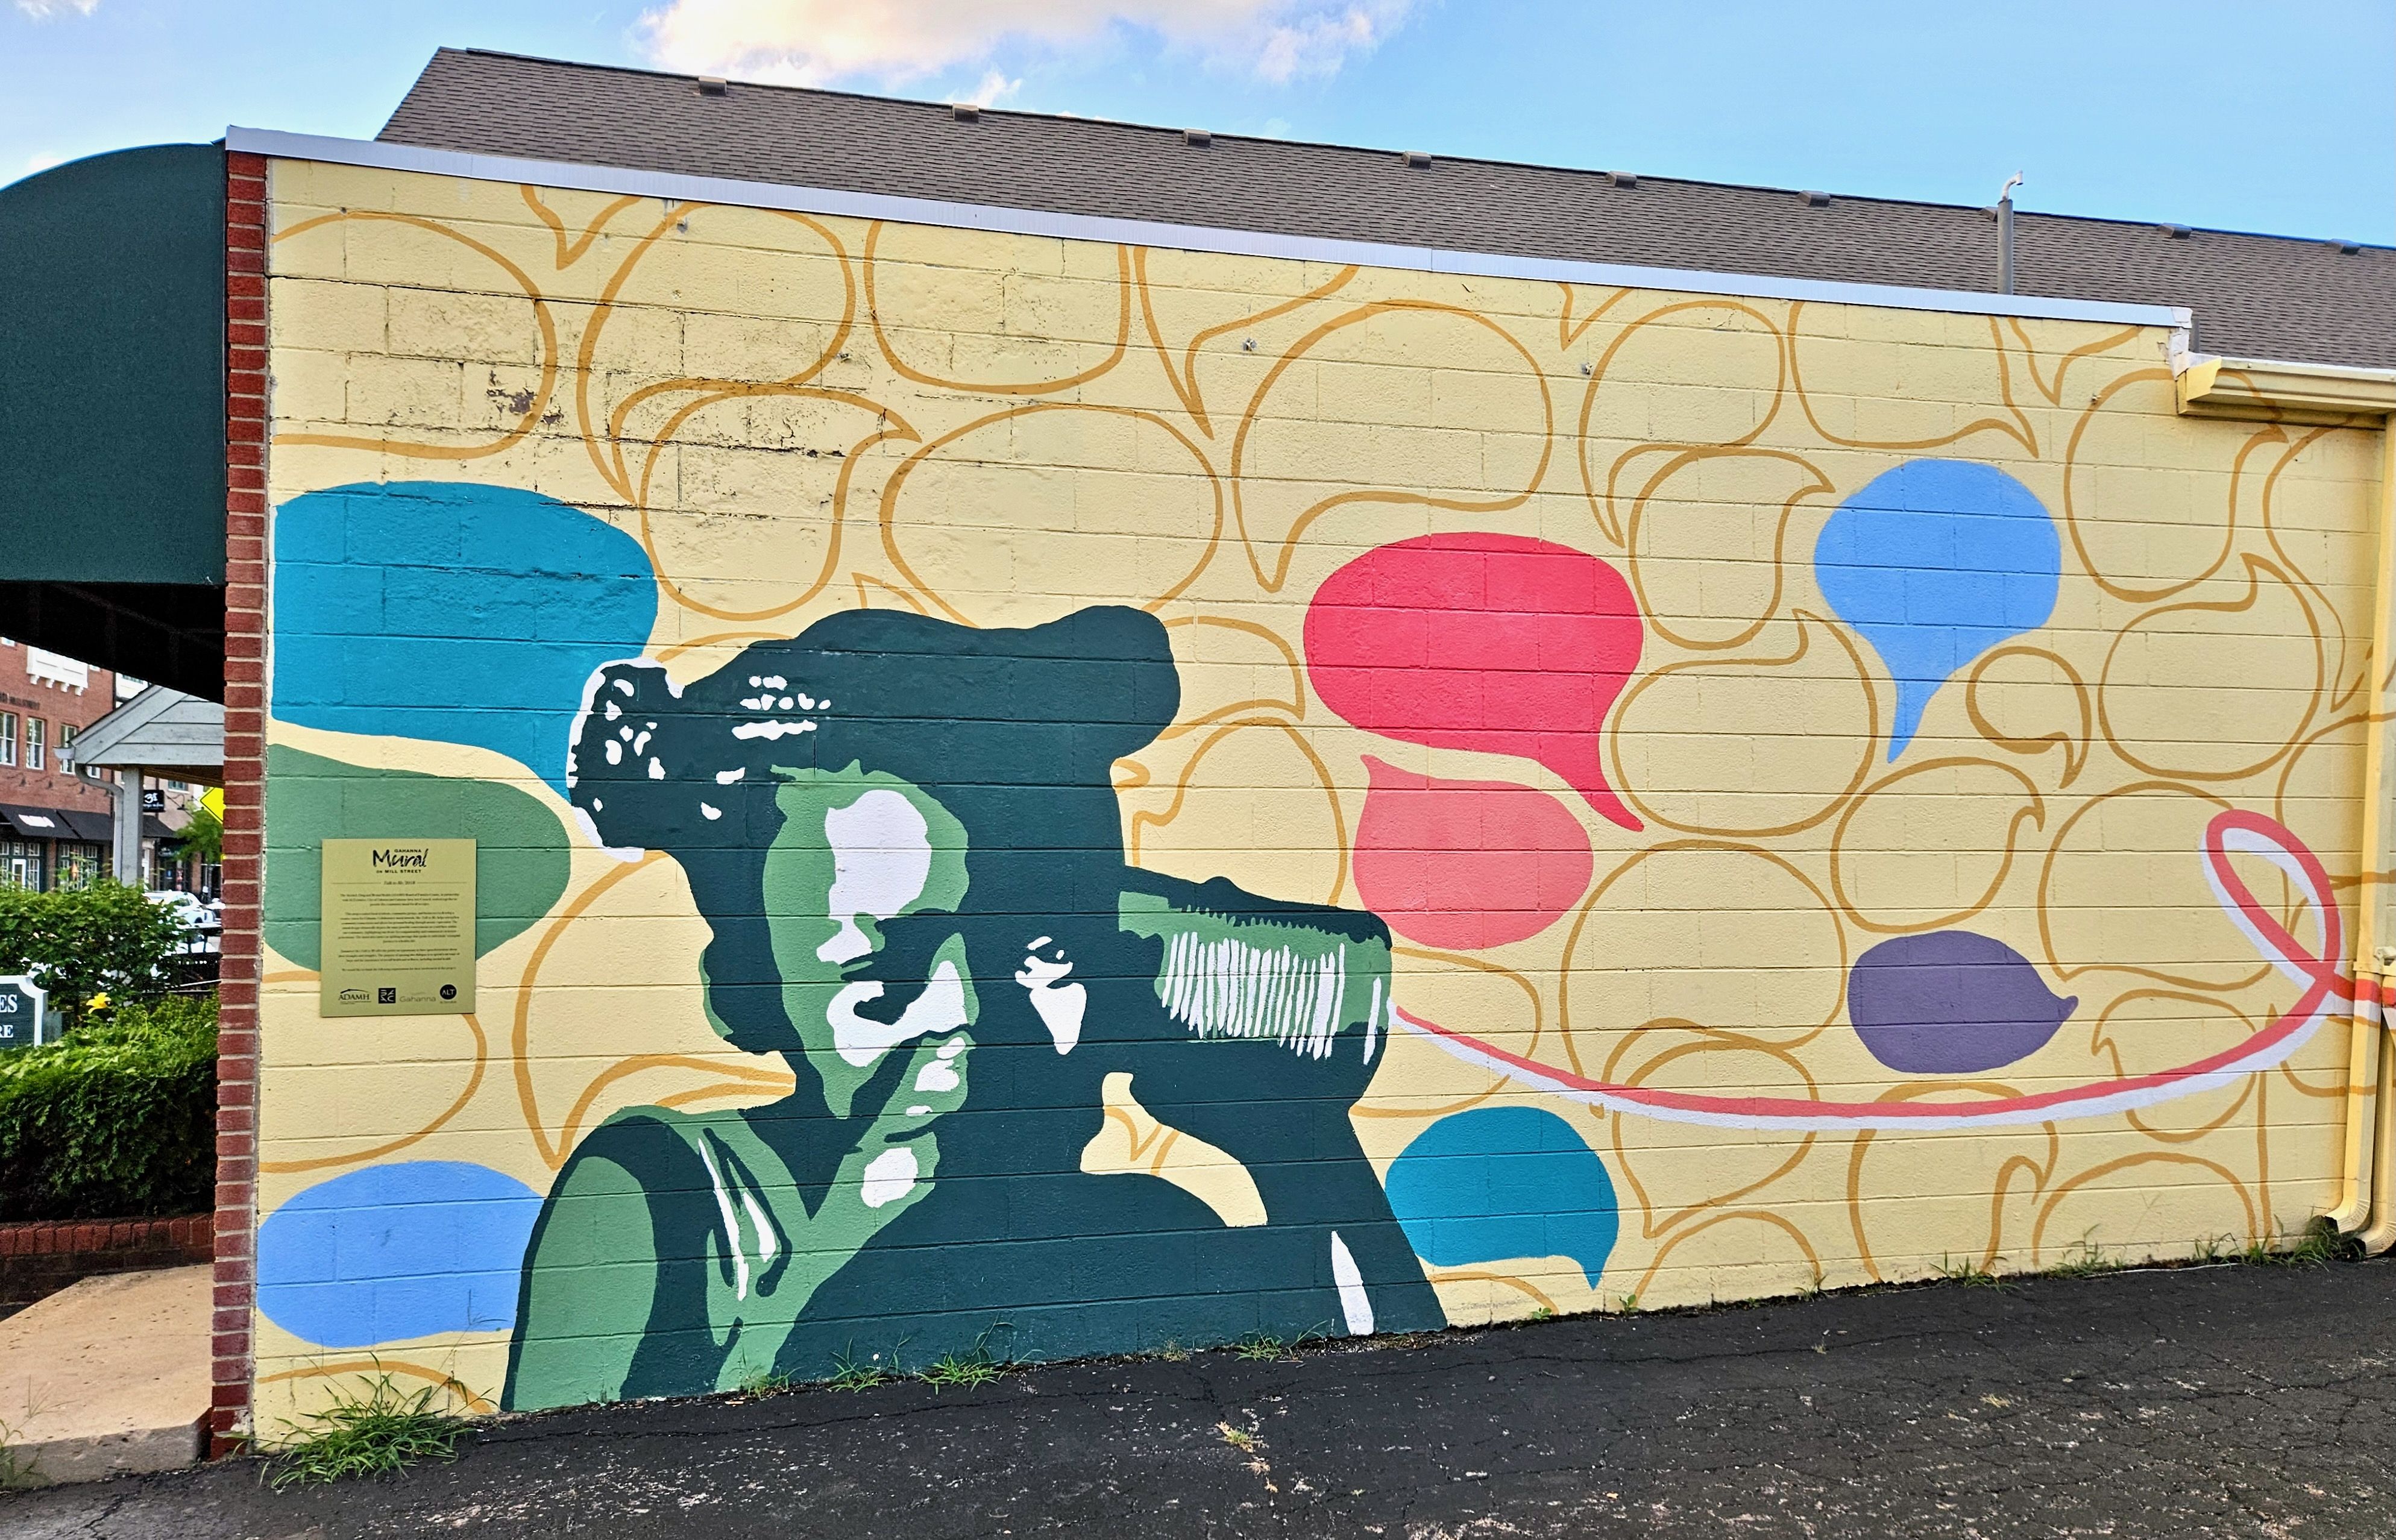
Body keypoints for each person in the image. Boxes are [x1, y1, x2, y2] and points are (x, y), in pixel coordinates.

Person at [505, 606, 1441, 1410]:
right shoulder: (674, 1198)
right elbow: (574, 1475)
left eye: (1020, 954)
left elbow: (1399, 1410)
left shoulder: (1151, 1229)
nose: (959, 1012)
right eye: (881, 977)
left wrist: (1297, 1139)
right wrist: (853, 1218)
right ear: (744, 994)